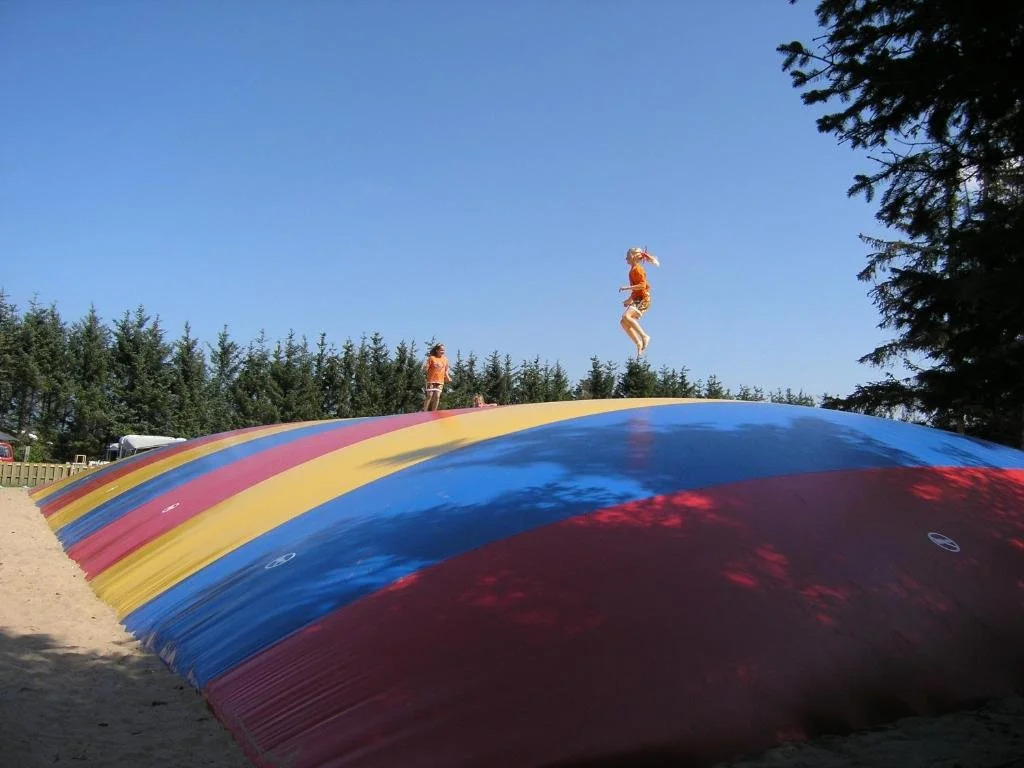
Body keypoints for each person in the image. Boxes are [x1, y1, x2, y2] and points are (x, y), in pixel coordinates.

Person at [618, 246, 660, 358]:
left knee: (627, 316)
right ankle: (638, 342)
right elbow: (635, 291)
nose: (625, 258)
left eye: (627, 256)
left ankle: (644, 336)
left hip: (644, 299)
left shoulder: (638, 269)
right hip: (638, 299)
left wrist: (626, 288)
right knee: (623, 322)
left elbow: (642, 285)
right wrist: (629, 300)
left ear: (633, 257)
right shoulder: (632, 271)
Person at [422, 343, 452, 411]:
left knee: (437, 396)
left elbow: (446, 370)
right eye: (441, 350)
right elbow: (426, 367)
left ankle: (434, 412)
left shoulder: (445, 359)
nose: (443, 352)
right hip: (431, 380)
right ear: (437, 350)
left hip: (440, 380)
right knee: (429, 395)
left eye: (443, 350)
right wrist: (424, 368)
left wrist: (448, 377)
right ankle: (424, 411)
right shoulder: (431, 358)